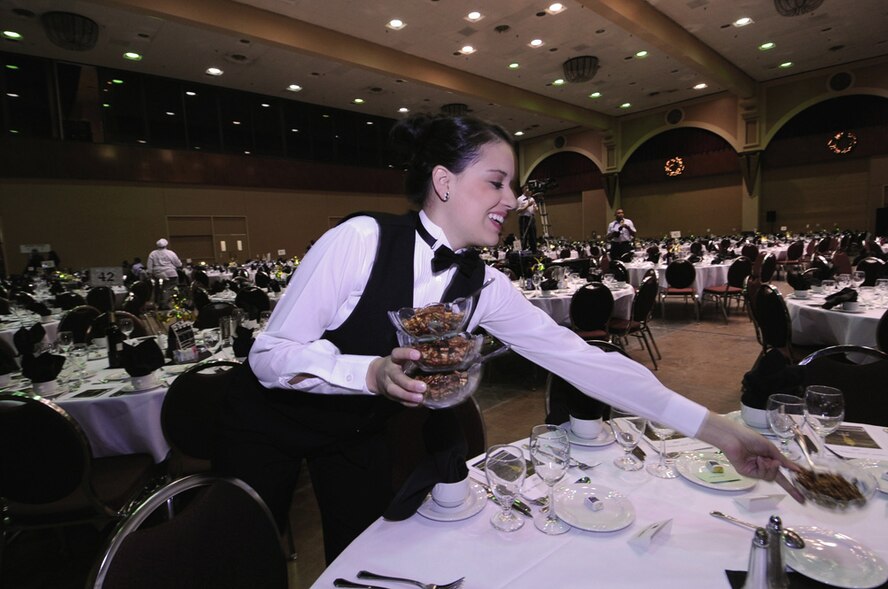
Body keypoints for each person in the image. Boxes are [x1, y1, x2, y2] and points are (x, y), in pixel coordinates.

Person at [215, 113, 801, 565]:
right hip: (268, 420)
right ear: (444, 182)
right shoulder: (360, 240)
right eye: (496, 182)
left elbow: (581, 360)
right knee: (247, 558)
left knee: (360, 554)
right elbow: (270, 355)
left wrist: (721, 430)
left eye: (513, 185)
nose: (513, 199)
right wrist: (367, 372)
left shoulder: (484, 283)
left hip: (358, 430)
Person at [146, 238, 181, 309]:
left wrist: (150, 274)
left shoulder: (153, 253)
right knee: (168, 288)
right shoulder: (171, 253)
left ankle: (156, 303)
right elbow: (178, 264)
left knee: (157, 288)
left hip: (157, 274)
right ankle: (165, 304)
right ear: (166, 245)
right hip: (170, 273)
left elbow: (149, 266)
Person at [516, 185, 538, 252]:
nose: (530, 191)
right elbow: (518, 211)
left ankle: (534, 249)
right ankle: (523, 249)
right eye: (528, 189)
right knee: (524, 234)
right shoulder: (520, 199)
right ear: (524, 190)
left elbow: (536, 209)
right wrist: (527, 205)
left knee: (533, 234)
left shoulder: (532, 199)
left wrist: (535, 208)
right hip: (524, 218)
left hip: (531, 218)